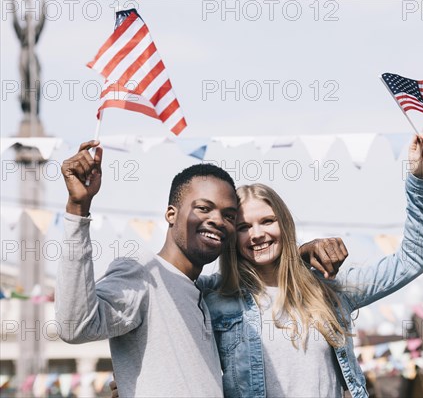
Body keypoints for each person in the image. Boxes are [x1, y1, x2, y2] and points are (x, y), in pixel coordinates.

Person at [56, 141, 344, 397]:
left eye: (228, 215)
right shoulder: (143, 273)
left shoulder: (203, 295)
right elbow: (75, 326)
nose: (217, 220)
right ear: (171, 213)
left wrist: (297, 256)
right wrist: (78, 210)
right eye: (204, 208)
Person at [195, 134, 423, 398]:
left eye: (267, 221)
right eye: (244, 227)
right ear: (232, 236)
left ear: (285, 225)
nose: (257, 234)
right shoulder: (213, 296)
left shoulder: (328, 289)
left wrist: (420, 181)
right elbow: (171, 278)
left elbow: (413, 258)